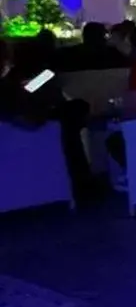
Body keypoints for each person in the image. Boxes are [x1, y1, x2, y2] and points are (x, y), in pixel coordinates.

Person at [0, 36, 93, 197]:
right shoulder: (38, 76)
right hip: (37, 120)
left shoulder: (13, 79)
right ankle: (83, 183)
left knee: (72, 116)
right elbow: (31, 102)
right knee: (73, 117)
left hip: (33, 120)